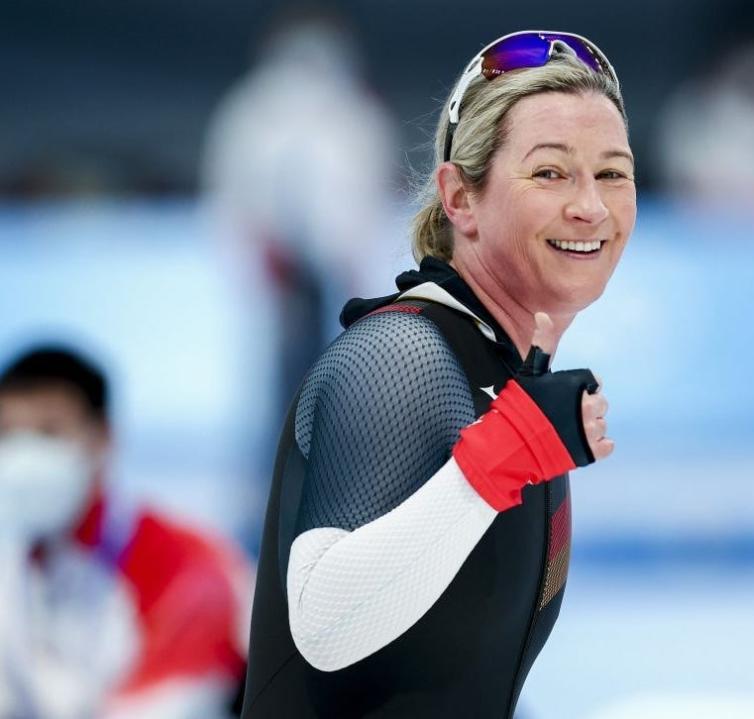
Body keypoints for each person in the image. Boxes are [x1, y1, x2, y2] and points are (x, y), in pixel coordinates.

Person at [242, 30, 636, 718]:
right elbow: (323, 626)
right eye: (550, 172)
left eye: (612, 172)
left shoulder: (506, 373)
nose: (591, 206)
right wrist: (500, 459)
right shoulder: (401, 354)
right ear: (459, 198)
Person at [0, 346, 251, 718]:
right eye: (8, 433)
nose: (24, 454)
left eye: (48, 432)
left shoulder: (182, 562)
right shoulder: (16, 559)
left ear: (102, 438)